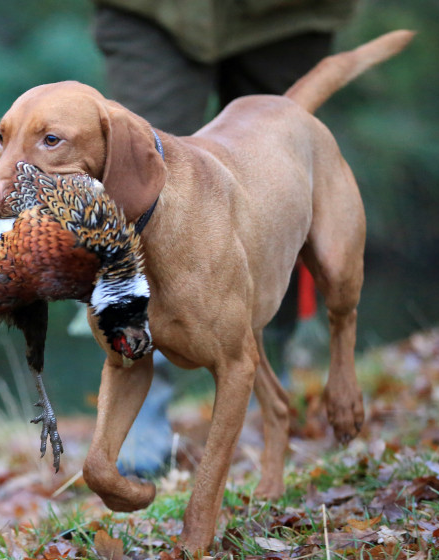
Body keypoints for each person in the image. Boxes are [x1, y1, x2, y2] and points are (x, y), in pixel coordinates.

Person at [87, 0, 358, 476]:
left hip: (287, 13)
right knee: (132, 178)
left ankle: (269, 369)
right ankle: (143, 381)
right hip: (150, 14)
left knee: (273, 199)